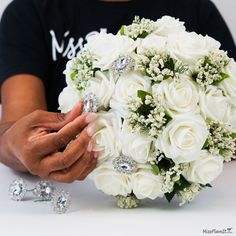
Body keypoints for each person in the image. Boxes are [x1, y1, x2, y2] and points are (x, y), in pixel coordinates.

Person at [0, 0, 236, 183]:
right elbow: (14, 128)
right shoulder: (30, 11)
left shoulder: (193, 9)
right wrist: (17, 148)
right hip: (73, 203)